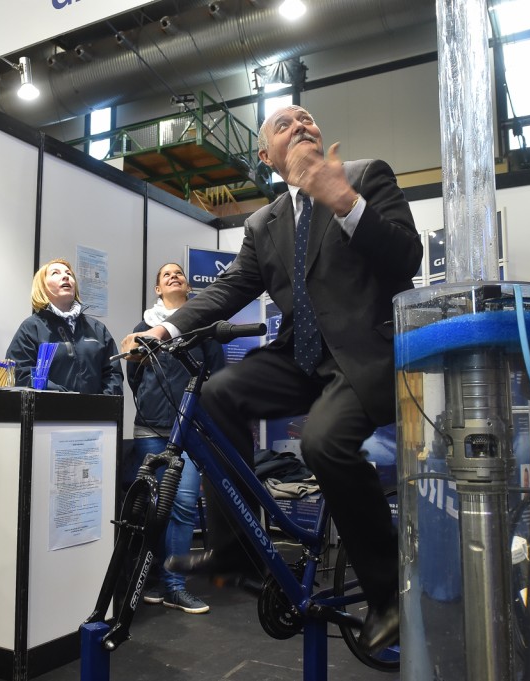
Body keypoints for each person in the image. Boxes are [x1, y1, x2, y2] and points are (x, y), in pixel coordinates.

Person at [121, 105, 422, 654]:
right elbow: (228, 289)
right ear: (266, 156)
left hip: (363, 358)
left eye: (307, 119)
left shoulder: (364, 175)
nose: (302, 125)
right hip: (300, 358)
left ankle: (389, 596)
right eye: (285, 124)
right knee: (215, 397)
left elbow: (407, 256)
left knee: (323, 442)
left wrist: (346, 203)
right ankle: (238, 550)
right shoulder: (263, 223)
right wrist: (163, 330)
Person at [128, 263, 226, 615]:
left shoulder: (203, 329)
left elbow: (217, 376)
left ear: (188, 286)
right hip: (150, 429)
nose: (174, 276)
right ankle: (154, 579)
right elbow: (134, 376)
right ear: (158, 288)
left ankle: (174, 586)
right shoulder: (142, 329)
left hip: (188, 431)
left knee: (182, 505)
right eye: (166, 274)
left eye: (179, 273)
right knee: (154, 508)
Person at [6, 258, 123, 395]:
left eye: (69, 273)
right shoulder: (31, 328)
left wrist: (102, 403)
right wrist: (65, 398)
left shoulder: (98, 329)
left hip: (96, 409)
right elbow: (21, 374)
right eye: (55, 273)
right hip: (50, 408)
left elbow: (113, 374)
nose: (65, 276)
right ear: (42, 287)